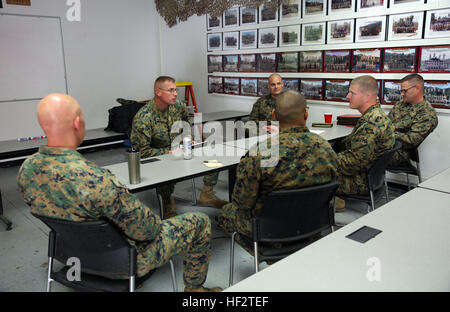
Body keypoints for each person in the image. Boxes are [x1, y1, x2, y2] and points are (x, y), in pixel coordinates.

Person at [17, 93, 221, 292]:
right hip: (120, 261)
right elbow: (147, 230)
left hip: (71, 254)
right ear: (77, 124)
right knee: (200, 221)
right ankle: (195, 289)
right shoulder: (96, 180)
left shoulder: (26, 169)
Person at [219, 90, 338, 245]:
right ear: (306, 114)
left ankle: (271, 256)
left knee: (226, 212)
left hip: (269, 231)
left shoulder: (259, 153)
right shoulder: (326, 148)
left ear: (274, 116)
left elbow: (242, 202)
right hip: (313, 224)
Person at [130, 76, 227, 219]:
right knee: (164, 167)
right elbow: (141, 153)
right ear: (158, 92)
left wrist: (188, 140)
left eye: (176, 90)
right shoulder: (144, 117)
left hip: (180, 150)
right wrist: (168, 152)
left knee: (213, 153)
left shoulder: (179, 106)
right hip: (158, 157)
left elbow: (186, 124)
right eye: (171, 90)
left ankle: (207, 193)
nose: (176, 94)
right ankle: (167, 202)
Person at [334, 75, 395, 212]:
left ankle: (327, 205)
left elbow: (351, 165)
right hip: (372, 178)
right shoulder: (376, 115)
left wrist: (324, 155)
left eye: (352, 93)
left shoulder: (370, 123)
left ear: (367, 97)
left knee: (310, 168)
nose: (347, 96)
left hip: (359, 182)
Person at [388, 74, 438, 167]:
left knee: (363, 152)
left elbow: (411, 141)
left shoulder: (427, 114)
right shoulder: (400, 105)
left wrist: (386, 134)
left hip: (399, 153)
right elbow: (386, 123)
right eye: (401, 90)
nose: (402, 94)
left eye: (405, 90)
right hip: (385, 144)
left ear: (417, 88)